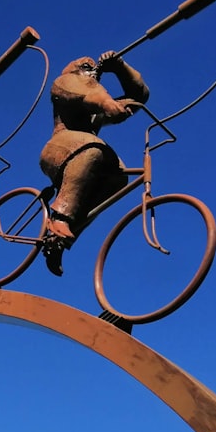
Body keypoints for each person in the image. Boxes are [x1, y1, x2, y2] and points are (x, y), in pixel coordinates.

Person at [38, 51, 149, 275]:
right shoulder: (64, 84)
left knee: (118, 176)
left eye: (94, 68)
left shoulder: (94, 107)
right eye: (87, 67)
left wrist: (119, 67)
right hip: (61, 148)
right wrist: (108, 104)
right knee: (94, 148)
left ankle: (59, 240)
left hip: (86, 147)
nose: (93, 72)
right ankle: (59, 217)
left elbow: (138, 95)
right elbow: (86, 92)